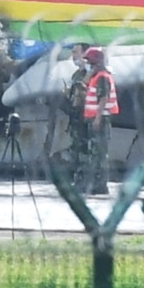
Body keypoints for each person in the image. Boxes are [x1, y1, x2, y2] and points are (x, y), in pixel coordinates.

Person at [82, 46, 117, 195]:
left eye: (90, 63)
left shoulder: (102, 77)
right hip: (95, 118)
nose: (88, 66)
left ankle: (101, 185)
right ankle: (95, 183)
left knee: (100, 153)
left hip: (100, 119)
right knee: (94, 152)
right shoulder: (96, 76)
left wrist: (97, 118)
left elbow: (103, 98)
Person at [60, 43, 91, 191]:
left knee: (85, 149)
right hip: (75, 117)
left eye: (76, 52)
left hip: (86, 116)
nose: (73, 55)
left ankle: (85, 179)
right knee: (76, 148)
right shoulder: (76, 75)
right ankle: (77, 178)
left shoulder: (90, 73)